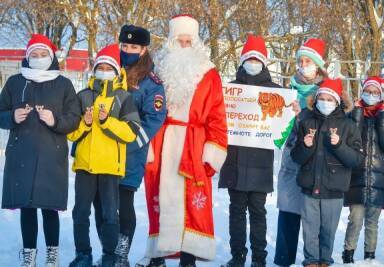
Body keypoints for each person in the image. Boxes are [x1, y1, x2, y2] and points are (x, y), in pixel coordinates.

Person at [136, 14, 228, 267]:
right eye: (180, 40)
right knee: (158, 199)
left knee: (193, 202)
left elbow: (217, 117)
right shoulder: (157, 72)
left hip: (193, 145)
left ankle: (188, 257)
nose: (185, 45)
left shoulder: (209, 74)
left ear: (196, 42)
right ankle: (158, 254)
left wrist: (213, 152)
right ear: (171, 42)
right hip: (162, 141)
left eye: (189, 41)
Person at [0, 34, 80, 267]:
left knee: (49, 206)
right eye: (33, 54)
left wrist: (55, 120)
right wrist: (11, 117)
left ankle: (52, 254)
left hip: (51, 155)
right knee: (27, 207)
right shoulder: (15, 82)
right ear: (27, 57)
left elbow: (73, 119)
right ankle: (29, 254)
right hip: (21, 153)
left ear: (51, 56)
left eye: (42, 54)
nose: (37, 58)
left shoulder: (63, 84)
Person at [218, 34, 298, 267]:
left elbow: (285, 132)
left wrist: (292, 113)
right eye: (249, 59)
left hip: (260, 162)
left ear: (264, 63)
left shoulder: (277, 92)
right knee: (236, 212)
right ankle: (237, 256)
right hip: (234, 160)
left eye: (257, 59)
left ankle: (259, 259)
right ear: (242, 61)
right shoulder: (230, 90)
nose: (253, 63)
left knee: (258, 212)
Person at [93, 25, 166, 267]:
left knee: (123, 205)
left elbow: (154, 119)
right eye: (124, 46)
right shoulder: (110, 69)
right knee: (101, 205)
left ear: (144, 49)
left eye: (134, 47)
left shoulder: (151, 83)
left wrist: (130, 142)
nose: (128, 50)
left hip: (130, 153)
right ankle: (108, 253)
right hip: (102, 152)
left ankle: (121, 255)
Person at [67, 44, 141, 267]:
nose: (104, 70)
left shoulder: (123, 98)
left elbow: (131, 132)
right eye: (101, 66)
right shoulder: (83, 96)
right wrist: (86, 124)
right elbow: (71, 133)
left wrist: (106, 121)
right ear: (94, 69)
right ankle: (83, 255)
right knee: (80, 213)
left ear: (116, 72)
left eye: (109, 67)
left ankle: (109, 256)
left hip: (110, 167)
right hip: (85, 166)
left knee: (110, 215)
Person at [291, 78, 364, 267]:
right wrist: (305, 146)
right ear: (315, 100)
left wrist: (339, 145)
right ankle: (311, 261)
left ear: (337, 101)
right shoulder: (307, 122)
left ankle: (325, 261)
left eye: (329, 99)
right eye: (321, 98)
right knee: (310, 229)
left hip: (334, 190)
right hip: (309, 188)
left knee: (328, 230)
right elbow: (296, 157)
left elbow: (356, 160)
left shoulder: (349, 126)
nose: (325, 102)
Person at [274, 38, 328, 267]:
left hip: (316, 164)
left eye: (308, 61)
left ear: (318, 65)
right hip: (291, 161)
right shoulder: (288, 92)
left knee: (314, 217)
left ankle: (314, 260)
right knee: (287, 212)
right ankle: (283, 260)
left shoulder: (326, 95)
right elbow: (276, 129)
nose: (304, 65)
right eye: (301, 61)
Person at [342, 76, 384, 263]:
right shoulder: (354, 113)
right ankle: (348, 254)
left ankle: (369, 257)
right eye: (368, 91)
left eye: (375, 92)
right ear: (362, 92)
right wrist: (356, 113)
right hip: (356, 177)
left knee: (372, 223)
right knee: (355, 219)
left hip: (380, 179)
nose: (370, 95)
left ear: (380, 95)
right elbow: (351, 139)